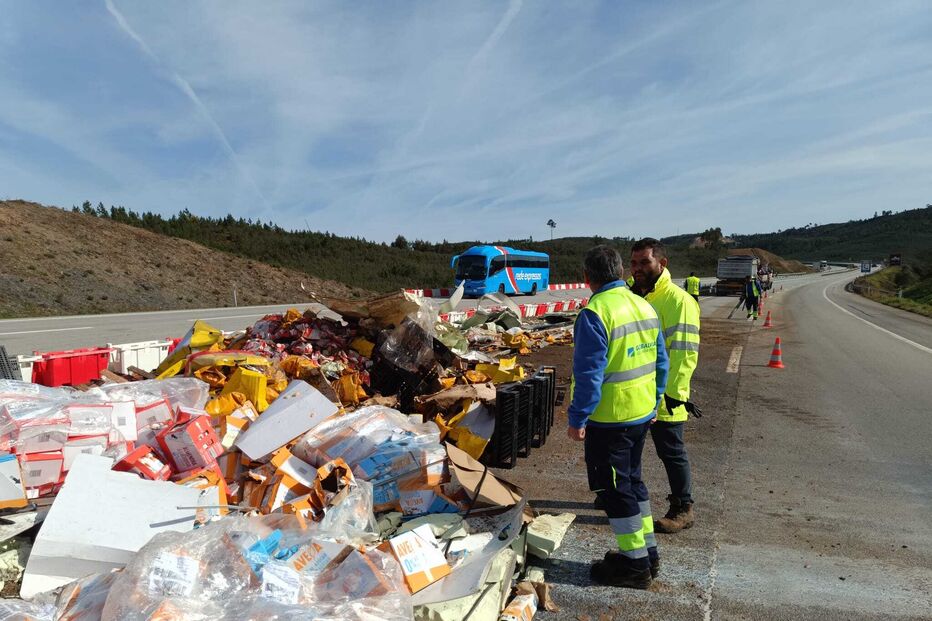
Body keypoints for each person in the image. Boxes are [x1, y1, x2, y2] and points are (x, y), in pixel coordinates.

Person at [567, 245, 669, 589]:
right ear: (622, 271)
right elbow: (661, 363)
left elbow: (589, 374)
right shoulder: (644, 306)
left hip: (610, 420)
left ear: (587, 278)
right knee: (633, 482)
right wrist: (654, 403)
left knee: (613, 489)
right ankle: (646, 555)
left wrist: (578, 418)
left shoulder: (595, 313)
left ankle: (635, 566)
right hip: (640, 414)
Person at [630, 238, 703, 534]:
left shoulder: (678, 301)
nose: (638, 269)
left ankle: (683, 508)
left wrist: (670, 395)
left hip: (665, 395)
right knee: (629, 449)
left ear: (662, 263)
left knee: (671, 452)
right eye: (634, 263)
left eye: (644, 262)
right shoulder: (632, 296)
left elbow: (685, 354)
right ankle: (628, 498)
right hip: (633, 391)